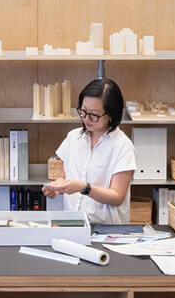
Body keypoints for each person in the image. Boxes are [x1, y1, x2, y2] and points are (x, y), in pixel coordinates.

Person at [42, 79, 137, 224]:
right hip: (73, 224)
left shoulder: (122, 146)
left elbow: (117, 197)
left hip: (107, 230)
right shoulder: (73, 137)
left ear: (111, 114)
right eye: (83, 111)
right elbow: (63, 176)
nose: (87, 118)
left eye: (94, 114)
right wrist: (56, 187)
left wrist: (83, 187)